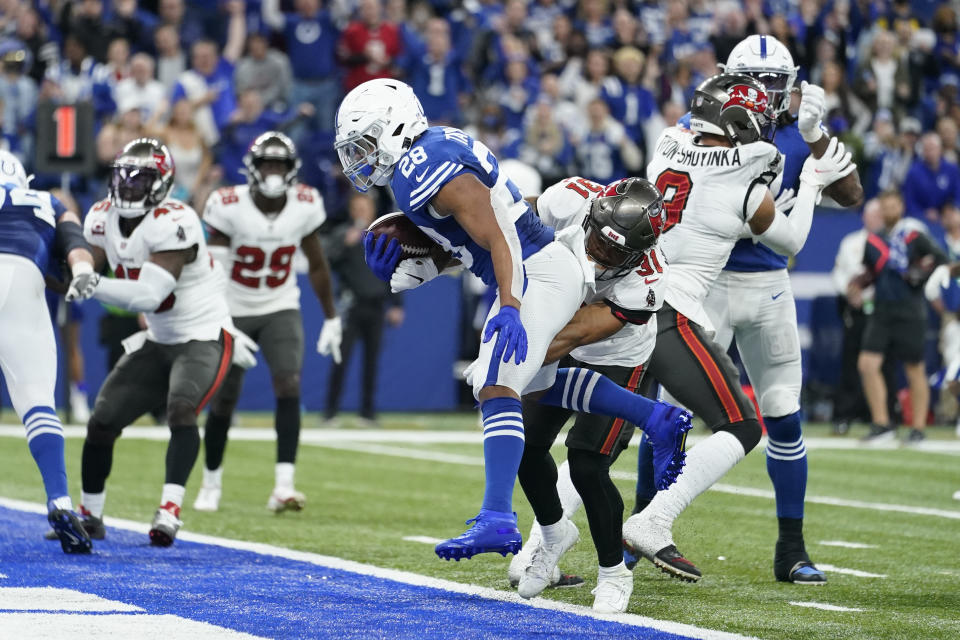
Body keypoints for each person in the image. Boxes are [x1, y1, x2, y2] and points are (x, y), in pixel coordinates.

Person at [335, 78, 690, 561]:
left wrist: (509, 303)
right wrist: (433, 263)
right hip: (535, 268)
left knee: (495, 383)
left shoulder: (424, 164)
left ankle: (497, 519)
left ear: (395, 127)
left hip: (536, 272)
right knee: (537, 386)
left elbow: (499, 233)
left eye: (365, 142)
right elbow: (478, 237)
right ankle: (657, 417)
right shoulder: (429, 152)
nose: (359, 156)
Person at [639, 33, 866, 585]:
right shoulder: (709, 133)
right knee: (670, 419)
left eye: (773, 83)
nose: (764, 93)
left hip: (768, 291)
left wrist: (815, 137)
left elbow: (853, 194)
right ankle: (642, 527)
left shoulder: (790, 136)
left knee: (783, 413)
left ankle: (791, 547)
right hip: (708, 287)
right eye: (754, 81)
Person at [62, 138, 255, 547]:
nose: (129, 188)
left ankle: (169, 510)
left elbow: (148, 296)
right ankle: (90, 515)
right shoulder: (100, 215)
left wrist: (91, 284)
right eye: (124, 178)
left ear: (163, 183)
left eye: (141, 179)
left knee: (181, 410)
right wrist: (69, 265)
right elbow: (84, 262)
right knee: (102, 420)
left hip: (202, 333)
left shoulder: (177, 219)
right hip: (159, 336)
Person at [511, 176, 671, 613]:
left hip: (617, 357)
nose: (599, 253)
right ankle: (552, 534)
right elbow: (516, 224)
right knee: (523, 444)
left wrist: (508, 361)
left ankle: (613, 573)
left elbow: (580, 331)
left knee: (586, 462)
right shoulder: (570, 197)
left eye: (614, 252)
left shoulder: (647, 279)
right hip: (562, 331)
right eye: (599, 240)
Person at [195, 132, 341, 513]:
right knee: (224, 397)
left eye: (280, 165)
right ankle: (211, 481)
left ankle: (284, 485)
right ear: (253, 169)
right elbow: (213, 273)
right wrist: (223, 323)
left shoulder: (305, 204)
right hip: (232, 306)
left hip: (280, 304)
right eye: (267, 165)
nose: (273, 172)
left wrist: (331, 317)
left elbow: (318, 263)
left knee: (289, 383)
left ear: (292, 171)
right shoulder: (227, 204)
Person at [0, 150, 94, 554]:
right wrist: (84, 269)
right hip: (23, 281)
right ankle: (59, 500)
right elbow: (74, 240)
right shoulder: (45, 200)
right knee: (38, 401)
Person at [856, 190, 948, 444]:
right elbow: (869, 272)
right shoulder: (873, 240)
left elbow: (941, 261)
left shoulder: (914, 236)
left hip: (910, 307)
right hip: (882, 308)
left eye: (893, 205)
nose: (889, 211)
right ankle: (882, 423)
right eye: (884, 207)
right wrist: (859, 284)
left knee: (914, 367)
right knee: (867, 364)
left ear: (901, 206)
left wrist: (921, 271)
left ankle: (918, 428)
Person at [323, 193, 405, 428]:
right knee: (341, 360)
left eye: (365, 207)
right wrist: (344, 245)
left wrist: (396, 305)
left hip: (376, 305)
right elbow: (327, 262)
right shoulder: (343, 234)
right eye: (356, 207)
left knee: (372, 362)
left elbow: (393, 271)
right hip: (350, 305)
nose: (361, 211)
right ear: (351, 210)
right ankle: (330, 412)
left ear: (372, 209)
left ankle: (367, 413)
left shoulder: (383, 235)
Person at [831, 199, 892, 435]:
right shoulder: (851, 242)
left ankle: (881, 414)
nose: (875, 219)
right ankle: (843, 415)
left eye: (879, 214)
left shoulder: (889, 242)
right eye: (871, 215)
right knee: (850, 363)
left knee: (883, 365)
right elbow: (838, 274)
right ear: (864, 217)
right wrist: (849, 293)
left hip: (882, 309)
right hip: (856, 310)